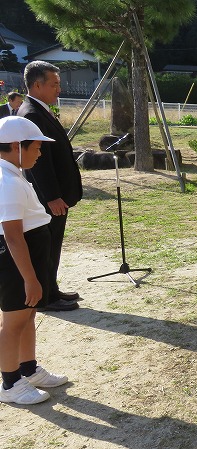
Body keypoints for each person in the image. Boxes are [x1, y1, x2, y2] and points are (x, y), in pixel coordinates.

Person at [0, 116, 69, 405]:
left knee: (28, 315)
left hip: (30, 256)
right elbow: (13, 235)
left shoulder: (14, 173)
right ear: (17, 146)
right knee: (14, 321)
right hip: (18, 263)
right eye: (36, 148)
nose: (39, 154)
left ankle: (28, 369)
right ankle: (10, 383)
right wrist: (29, 278)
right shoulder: (8, 181)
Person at [17, 61, 82, 312]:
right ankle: (46, 298)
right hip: (47, 198)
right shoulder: (31, 113)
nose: (59, 90)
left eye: (59, 84)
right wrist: (53, 196)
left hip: (54, 196)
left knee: (53, 244)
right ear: (37, 84)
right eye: (54, 84)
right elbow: (38, 163)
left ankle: (51, 289)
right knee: (46, 245)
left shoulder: (40, 110)